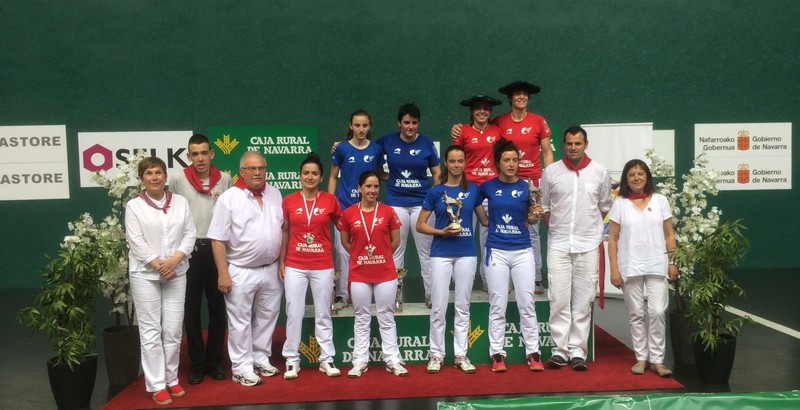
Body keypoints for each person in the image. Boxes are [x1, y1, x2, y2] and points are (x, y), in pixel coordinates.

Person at [452, 81, 553, 295]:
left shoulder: (527, 123)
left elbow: (545, 152)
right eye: (517, 94)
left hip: (520, 184)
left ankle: (533, 279)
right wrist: (458, 128)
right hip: (480, 188)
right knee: (473, 232)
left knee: (525, 231)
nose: (521, 97)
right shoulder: (496, 124)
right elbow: (457, 154)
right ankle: (482, 281)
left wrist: (549, 179)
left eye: (525, 94)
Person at [207, 151, 284, 386]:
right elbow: (218, 239)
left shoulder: (275, 193)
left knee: (267, 316)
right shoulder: (228, 198)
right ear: (242, 172)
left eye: (261, 168)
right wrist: (223, 272)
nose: (258, 172)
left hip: (270, 269)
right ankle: (241, 367)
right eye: (252, 169)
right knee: (239, 321)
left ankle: (260, 358)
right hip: (240, 269)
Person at [125, 156, 197, 405]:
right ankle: (156, 384)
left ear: (165, 177)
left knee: (174, 329)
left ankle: (171, 378)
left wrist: (173, 261)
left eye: (158, 173)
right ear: (142, 179)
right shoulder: (134, 206)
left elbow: (190, 234)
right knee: (151, 330)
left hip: (176, 272)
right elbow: (136, 241)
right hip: (146, 274)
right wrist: (159, 264)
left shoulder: (180, 202)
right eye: (148, 174)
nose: (154, 177)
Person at [541, 126, 613, 371]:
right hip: (559, 244)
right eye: (569, 143)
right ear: (564, 145)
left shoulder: (600, 172)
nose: (573, 147)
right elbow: (545, 207)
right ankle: (560, 351)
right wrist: (558, 230)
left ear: (586, 144)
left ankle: (578, 351)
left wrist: (589, 229)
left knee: (583, 301)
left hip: (588, 245)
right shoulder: (551, 172)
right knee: (559, 300)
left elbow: (604, 206)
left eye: (578, 143)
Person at [417, 145, 488, 374]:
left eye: (460, 161)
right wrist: (442, 232)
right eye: (452, 161)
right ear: (446, 163)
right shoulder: (435, 192)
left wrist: (522, 215)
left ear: (465, 163)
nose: (457, 164)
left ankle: (460, 354)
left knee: (462, 306)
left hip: (466, 253)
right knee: (438, 306)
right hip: (440, 253)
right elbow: (420, 225)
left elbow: (485, 221)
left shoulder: (474, 190)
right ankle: (436, 355)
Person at [478, 138, 545, 373]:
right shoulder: (487, 187)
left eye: (515, 160)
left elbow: (532, 217)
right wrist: (485, 221)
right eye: (506, 160)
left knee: (527, 303)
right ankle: (497, 353)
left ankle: (533, 352)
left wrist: (535, 216)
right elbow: (474, 204)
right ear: (498, 163)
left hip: (522, 251)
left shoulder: (527, 187)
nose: (511, 164)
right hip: (496, 250)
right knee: (498, 303)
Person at [169, 134, 232, 385]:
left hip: (216, 249)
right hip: (188, 251)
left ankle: (214, 362)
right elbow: (171, 213)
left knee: (218, 309)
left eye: (204, 153)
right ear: (188, 156)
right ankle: (196, 363)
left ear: (212, 154)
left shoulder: (225, 179)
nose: (200, 158)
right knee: (191, 310)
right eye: (194, 154)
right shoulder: (177, 179)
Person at [608, 159, 678, 378]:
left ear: (647, 176)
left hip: (657, 263)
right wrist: (614, 269)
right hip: (630, 265)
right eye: (631, 175)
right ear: (626, 180)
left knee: (657, 311)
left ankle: (658, 360)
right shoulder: (620, 203)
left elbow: (669, 234)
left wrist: (673, 262)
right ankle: (641, 357)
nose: (636, 178)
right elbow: (612, 239)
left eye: (640, 174)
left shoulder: (660, 200)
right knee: (636, 313)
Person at [337, 171, 407, 377]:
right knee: (361, 318)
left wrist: (382, 256)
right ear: (359, 188)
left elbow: (396, 241)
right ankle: (359, 361)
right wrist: (360, 256)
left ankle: (393, 359)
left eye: (376, 187)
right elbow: (345, 242)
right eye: (368, 186)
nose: (372, 190)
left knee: (386, 316)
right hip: (359, 273)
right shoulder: (349, 213)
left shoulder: (388, 212)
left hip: (385, 273)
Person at [280, 152, 343, 379]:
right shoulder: (289, 201)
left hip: (322, 265)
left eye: (314, 173)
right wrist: (282, 261)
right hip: (295, 264)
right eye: (306, 173)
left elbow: (343, 225)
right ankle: (291, 360)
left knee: (323, 312)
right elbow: (285, 231)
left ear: (321, 177)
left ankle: (326, 359)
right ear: (300, 176)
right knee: (293, 312)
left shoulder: (330, 201)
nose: (310, 177)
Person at [377, 102, 441, 310]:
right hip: (396, 203)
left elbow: (437, 173)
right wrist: (387, 177)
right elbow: (366, 154)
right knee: (396, 250)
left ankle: (431, 295)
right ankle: (396, 297)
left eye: (414, 123)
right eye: (406, 122)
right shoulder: (387, 141)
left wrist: (437, 196)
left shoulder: (426, 143)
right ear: (399, 123)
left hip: (422, 204)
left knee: (427, 251)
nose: (410, 126)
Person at [328, 110, 382, 312]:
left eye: (365, 125)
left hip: (368, 211)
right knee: (343, 252)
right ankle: (342, 295)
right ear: (351, 126)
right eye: (357, 125)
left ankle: (366, 293)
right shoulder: (341, 149)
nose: (361, 129)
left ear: (369, 127)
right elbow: (333, 176)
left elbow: (378, 176)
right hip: (344, 208)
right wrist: (331, 203)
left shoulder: (376, 149)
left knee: (368, 252)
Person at [451, 94, 503, 292]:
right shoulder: (462, 132)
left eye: (486, 108)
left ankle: (488, 280)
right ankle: (461, 283)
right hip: (467, 190)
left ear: (490, 112)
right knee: (463, 235)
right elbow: (454, 158)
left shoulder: (498, 132)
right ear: (472, 112)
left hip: (490, 190)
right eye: (478, 108)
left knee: (487, 237)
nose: (482, 111)